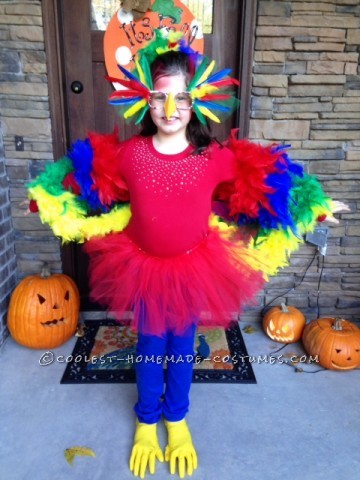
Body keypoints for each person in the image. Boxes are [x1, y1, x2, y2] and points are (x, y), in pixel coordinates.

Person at [27, 30, 348, 479]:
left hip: (194, 267)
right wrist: (48, 197)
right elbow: (81, 175)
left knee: (181, 345)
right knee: (149, 345)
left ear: (197, 101)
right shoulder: (130, 154)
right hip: (139, 265)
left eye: (181, 98)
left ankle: (176, 418)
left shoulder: (211, 156)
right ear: (144, 101)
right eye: (159, 98)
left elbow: (266, 183)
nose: (170, 109)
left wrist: (312, 207)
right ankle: (145, 420)